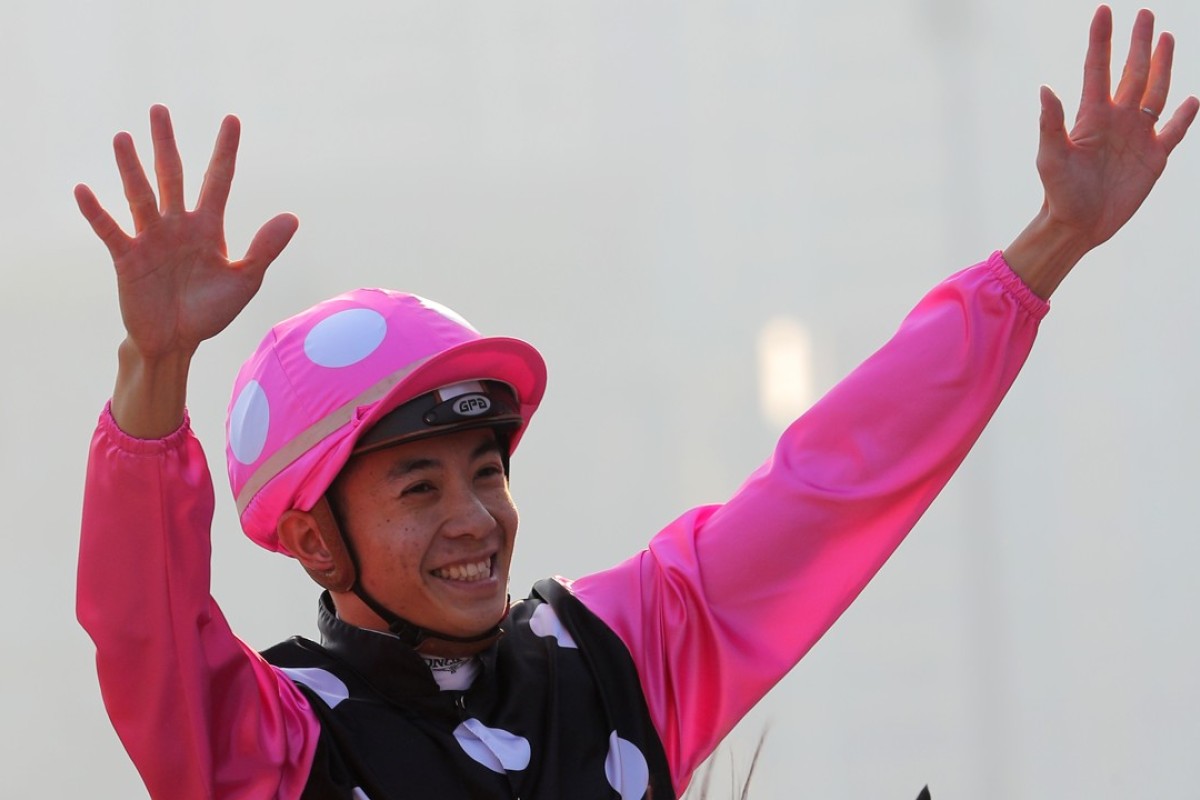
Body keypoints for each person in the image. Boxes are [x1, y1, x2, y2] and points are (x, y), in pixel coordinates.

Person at [75, 6, 1197, 799]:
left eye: (488, 468)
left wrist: (1045, 250)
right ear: (317, 539)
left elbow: (834, 476)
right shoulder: (272, 743)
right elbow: (145, 627)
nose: (476, 515)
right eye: (420, 484)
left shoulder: (623, 650)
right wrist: (153, 369)